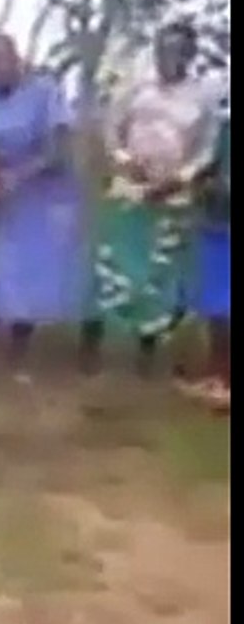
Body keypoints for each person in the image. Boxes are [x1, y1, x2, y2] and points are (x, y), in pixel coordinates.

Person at [89, 22, 225, 374]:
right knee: (110, 265)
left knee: (156, 274)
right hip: (127, 187)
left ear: (190, 55)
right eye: (164, 48)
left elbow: (206, 152)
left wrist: (178, 179)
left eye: (179, 50)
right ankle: (91, 345)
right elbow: (110, 129)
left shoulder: (202, 98)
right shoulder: (135, 87)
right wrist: (124, 161)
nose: (170, 56)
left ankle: (145, 353)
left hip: (172, 195)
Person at [0, 35, 87, 382]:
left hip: (48, 193)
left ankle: (17, 358)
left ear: (16, 61)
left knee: (32, 275)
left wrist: (20, 175)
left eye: (5, 62)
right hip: (6, 191)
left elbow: (59, 151)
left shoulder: (45, 92)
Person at [184, 110, 229, 410]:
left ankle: (225, 381)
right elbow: (207, 165)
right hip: (216, 225)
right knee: (216, 306)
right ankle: (217, 375)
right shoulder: (224, 126)